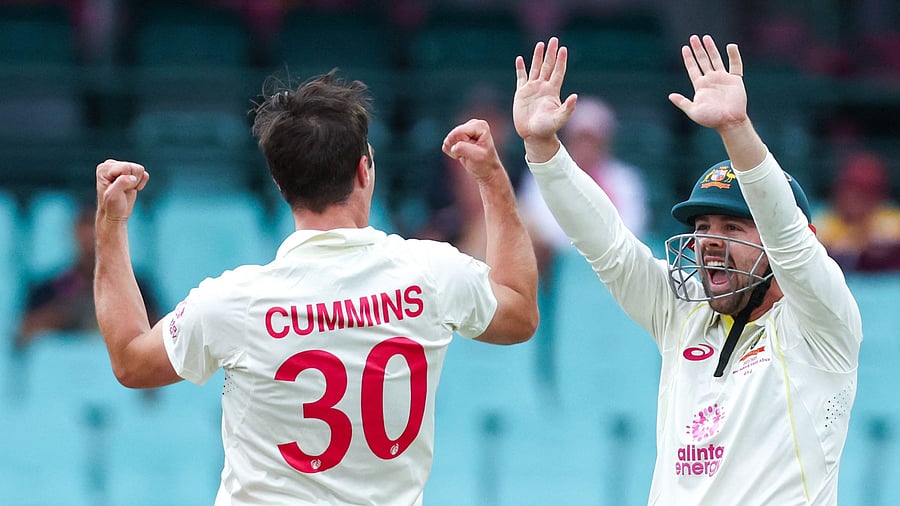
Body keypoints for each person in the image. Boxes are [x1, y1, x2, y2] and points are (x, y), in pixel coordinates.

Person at [92, 70, 538, 505]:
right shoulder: (431, 273)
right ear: (364, 170)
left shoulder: (236, 301)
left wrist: (111, 224)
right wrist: (493, 181)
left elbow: (131, 360)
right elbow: (519, 313)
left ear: (281, 183)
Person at [513, 36, 861, 504]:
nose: (710, 241)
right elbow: (608, 247)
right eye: (702, 226)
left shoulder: (822, 326)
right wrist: (544, 150)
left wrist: (737, 131)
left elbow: (790, 240)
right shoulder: (682, 315)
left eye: (733, 225)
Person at [16, 201, 160, 349]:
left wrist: (122, 313)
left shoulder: (135, 286)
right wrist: (67, 310)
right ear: (74, 230)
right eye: (87, 223)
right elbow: (21, 336)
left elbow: (161, 338)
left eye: (102, 224)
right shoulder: (49, 287)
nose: (94, 232)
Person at [814, 150, 900, 271]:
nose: (852, 200)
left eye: (862, 195)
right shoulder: (825, 222)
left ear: (876, 197)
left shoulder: (890, 220)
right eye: (848, 192)